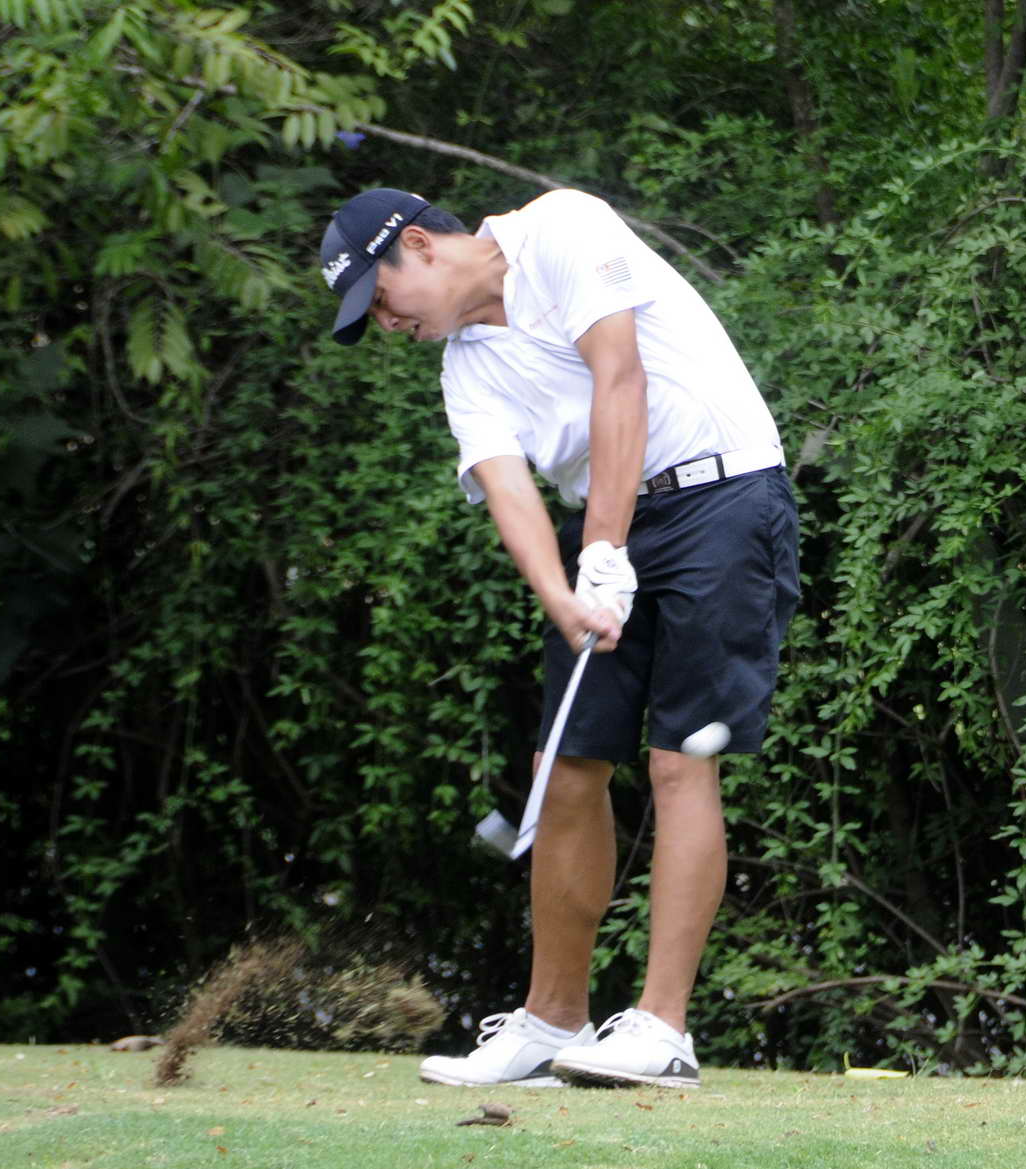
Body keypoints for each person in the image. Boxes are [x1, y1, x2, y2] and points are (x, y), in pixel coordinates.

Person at [318, 187, 799, 1089]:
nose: (385, 323)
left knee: (679, 757)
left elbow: (622, 379)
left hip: (725, 497)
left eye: (379, 299)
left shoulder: (561, 230)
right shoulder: (465, 370)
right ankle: (551, 1021)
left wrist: (604, 547)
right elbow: (509, 490)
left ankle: (662, 1029)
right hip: (609, 524)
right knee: (566, 761)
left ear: (418, 244)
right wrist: (564, 592)